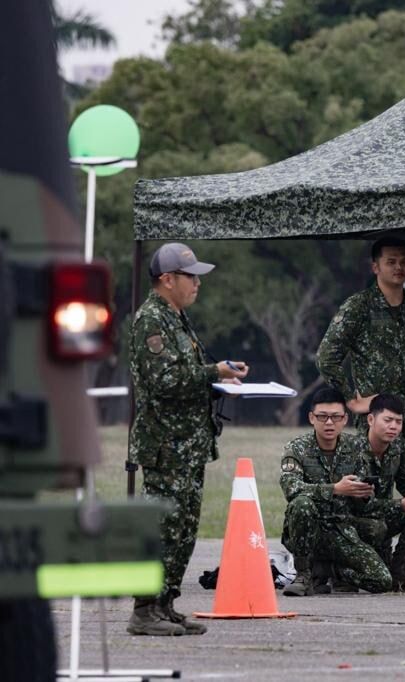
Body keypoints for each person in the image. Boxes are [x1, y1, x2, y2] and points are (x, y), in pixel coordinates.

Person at [317, 237, 405, 590]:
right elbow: (327, 356)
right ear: (375, 266)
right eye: (391, 261)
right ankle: (371, 563)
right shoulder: (359, 306)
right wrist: (352, 398)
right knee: (370, 491)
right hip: (377, 420)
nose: (399, 267)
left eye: (404, 261)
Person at [128, 242, 249, 636]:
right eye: (190, 276)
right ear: (167, 279)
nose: (197, 283)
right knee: (162, 526)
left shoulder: (176, 317)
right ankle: (144, 610)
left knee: (183, 529)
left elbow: (186, 375)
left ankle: (165, 605)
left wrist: (219, 379)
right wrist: (215, 372)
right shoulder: (152, 320)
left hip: (188, 445)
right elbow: (164, 381)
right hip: (166, 446)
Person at [279, 387, 392, 596]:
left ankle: (333, 571)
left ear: (345, 419)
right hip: (309, 529)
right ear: (312, 418)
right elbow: (291, 488)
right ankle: (303, 575)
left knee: (381, 580)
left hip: (341, 528)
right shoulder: (297, 448)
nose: (329, 423)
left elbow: (364, 501)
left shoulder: (356, 447)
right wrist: (335, 489)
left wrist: (363, 494)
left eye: (335, 417)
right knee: (301, 504)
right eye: (322, 417)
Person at [352, 393, 405, 591]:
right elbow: (360, 505)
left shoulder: (398, 448)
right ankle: (340, 570)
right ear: (370, 420)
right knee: (375, 528)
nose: (394, 427)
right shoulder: (351, 450)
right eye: (387, 420)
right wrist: (401, 504)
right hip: (353, 521)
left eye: (398, 422)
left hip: (380, 516)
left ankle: (400, 572)